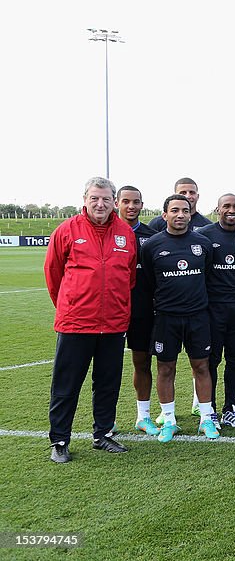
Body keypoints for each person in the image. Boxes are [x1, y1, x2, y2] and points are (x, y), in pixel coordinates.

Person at [45, 177, 136, 463]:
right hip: (76, 323)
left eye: (106, 199)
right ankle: (59, 440)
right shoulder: (67, 230)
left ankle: (103, 434)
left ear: (114, 202)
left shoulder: (125, 232)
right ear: (85, 199)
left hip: (113, 323)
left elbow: (129, 276)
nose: (100, 204)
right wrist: (72, 305)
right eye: (95, 198)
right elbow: (53, 274)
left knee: (108, 383)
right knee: (66, 384)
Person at [140, 194, 219, 443]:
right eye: (175, 210)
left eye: (185, 210)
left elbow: (206, 276)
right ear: (165, 215)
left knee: (202, 366)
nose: (181, 215)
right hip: (166, 318)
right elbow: (150, 282)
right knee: (166, 368)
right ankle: (169, 420)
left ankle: (206, 418)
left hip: (198, 316)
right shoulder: (152, 245)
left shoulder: (202, 243)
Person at [198, 194, 235, 429]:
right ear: (218, 209)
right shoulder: (203, 236)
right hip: (213, 309)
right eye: (226, 206)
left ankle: (230, 407)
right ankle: (209, 410)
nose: (231, 210)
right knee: (211, 360)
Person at [116, 185, 160, 436]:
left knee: (141, 362)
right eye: (126, 201)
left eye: (136, 202)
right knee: (107, 366)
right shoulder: (108, 232)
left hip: (142, 311)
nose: (131, 206)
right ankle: (106, 419)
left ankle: (143, 416)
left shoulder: (150, 236)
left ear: (142, 205)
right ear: (117, 203)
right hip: (112, 310)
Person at [148, 177, 212, 231]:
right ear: (175, 195)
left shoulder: (207, 225)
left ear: (197, 196)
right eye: (183, 193)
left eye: (192, 192)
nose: (188, 196)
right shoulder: (157, 223)